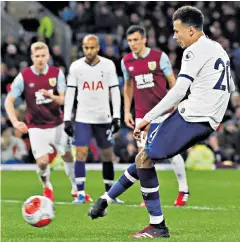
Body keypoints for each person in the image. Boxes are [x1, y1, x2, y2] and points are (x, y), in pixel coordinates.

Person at [88, 6, 235, 238]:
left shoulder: (193, 51)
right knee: (144, 156)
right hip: (207, 120)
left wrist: (147, 118)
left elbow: (178, 90)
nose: (174, 36)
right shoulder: (219, 50)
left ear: (192, 31)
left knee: (146, 159)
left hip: (191, 116)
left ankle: (157, 225)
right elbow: (231, 89)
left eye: (177, 31)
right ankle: (106, 199)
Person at [89, 25, 190, 208]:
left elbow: (172, 82)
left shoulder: (159, 57)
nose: (133, 44)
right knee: (143, 157)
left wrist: (176, 104)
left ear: (144, 39)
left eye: (136, 40)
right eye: (130, 41)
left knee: (172, 153)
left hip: (163, 113)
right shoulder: (126, 61)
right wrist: (127, 111)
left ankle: (183, 190)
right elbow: (127, 86)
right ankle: (150, 195)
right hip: (141, 116)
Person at [4, 41, 77, 202]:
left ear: (48, 56)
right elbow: (8, 101)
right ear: (32, 57)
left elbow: (64, 100)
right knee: (43, 162)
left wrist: (52, 96)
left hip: (57, 124)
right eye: (37, 56)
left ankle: (75, 187)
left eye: (43, 56)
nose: (40, 59)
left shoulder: (57, 73)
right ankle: (46, 186)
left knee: (67, 156)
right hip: (36, 126)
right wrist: (15, 122)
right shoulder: (24, 77)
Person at [64, 34, 123, 204]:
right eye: (86, 48)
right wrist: (67, 118)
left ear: (98, 48)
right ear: (83, 48)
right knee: (81, 153)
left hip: (103, 117)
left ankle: (110, 194)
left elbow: (114, 91)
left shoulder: (108, 65)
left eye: (92, 47)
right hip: (83, 118)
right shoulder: (76, 67)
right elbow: (70, 93)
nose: (89, 51)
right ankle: (81, 193)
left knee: (107, 155)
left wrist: (116, 116)